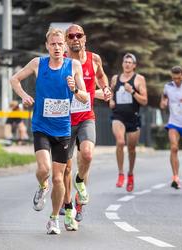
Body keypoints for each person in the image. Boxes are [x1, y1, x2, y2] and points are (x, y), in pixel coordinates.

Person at [10, 27, 88, 235]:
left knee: (58, 178)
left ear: (65, 47)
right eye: (52, 44)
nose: (56, 47)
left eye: (60, 44)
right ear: (47, 46)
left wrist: (75, 89)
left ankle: (54, 219)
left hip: (63, 129)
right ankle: (42, 186)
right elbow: (14, 79)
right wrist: (24, 96)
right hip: (42, 126)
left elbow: (85, 98)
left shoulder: (74, 66)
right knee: (44, 170)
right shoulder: (38, 63)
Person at [62, 24, 111, 222]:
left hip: (85, 116)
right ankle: (68, 207)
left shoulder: (94, 59)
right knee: (65, 167)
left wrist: (105, 88)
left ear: (84, 38)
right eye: (71, 36)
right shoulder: (61, 61)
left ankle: (80, 183)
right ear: (66, 41)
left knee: (88, 156)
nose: (75, 38)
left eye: (78, 35)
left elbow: (100, 76)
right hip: (64, 119)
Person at [109, 53, 148, 192]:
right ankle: (120, 173)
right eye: (125, 61)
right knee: (120, 142)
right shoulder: (115, 79)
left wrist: (132, 92)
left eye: (130, 62)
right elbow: (110, 94)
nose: (127, 64)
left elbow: (144, 100)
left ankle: (130, 174)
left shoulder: (139, 79)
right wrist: (111, 101)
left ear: (134, 65)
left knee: (131, 149)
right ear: (122, 64)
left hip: (133, 117)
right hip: (118, 116)